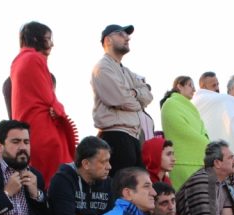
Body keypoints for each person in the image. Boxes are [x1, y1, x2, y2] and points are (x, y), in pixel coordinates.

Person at [10, 22, 77, 184]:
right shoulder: (35, 58)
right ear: (35, 38)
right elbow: (49, 98)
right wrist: (59, 109)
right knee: (58, 180)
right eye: (48, 38)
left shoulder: (17, 62)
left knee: (37, 180)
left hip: (26, 130)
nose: (52, 44)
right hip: (44, 131)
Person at [91, 24, 152, 176]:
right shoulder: (103, 67)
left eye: (127, 35)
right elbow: (120, 99)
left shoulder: (127, 72)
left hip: (133, 136)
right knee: (122, 185)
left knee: (137, 185)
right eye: (121, 34)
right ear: (108, 40)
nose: (127, 38)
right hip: (115, 135)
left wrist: (133, 93)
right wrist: (138, 101)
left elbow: (149, 95)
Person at [160, 75, 209, 189]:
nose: (194, 89)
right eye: (190, 85)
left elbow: (202, 128)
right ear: (179, 86)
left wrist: (206, 140)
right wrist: (206, 143)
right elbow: (181, 130)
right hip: (182, 160)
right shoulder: (170, 104)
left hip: (199, 159)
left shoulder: (191, 107)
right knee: (187, 196)